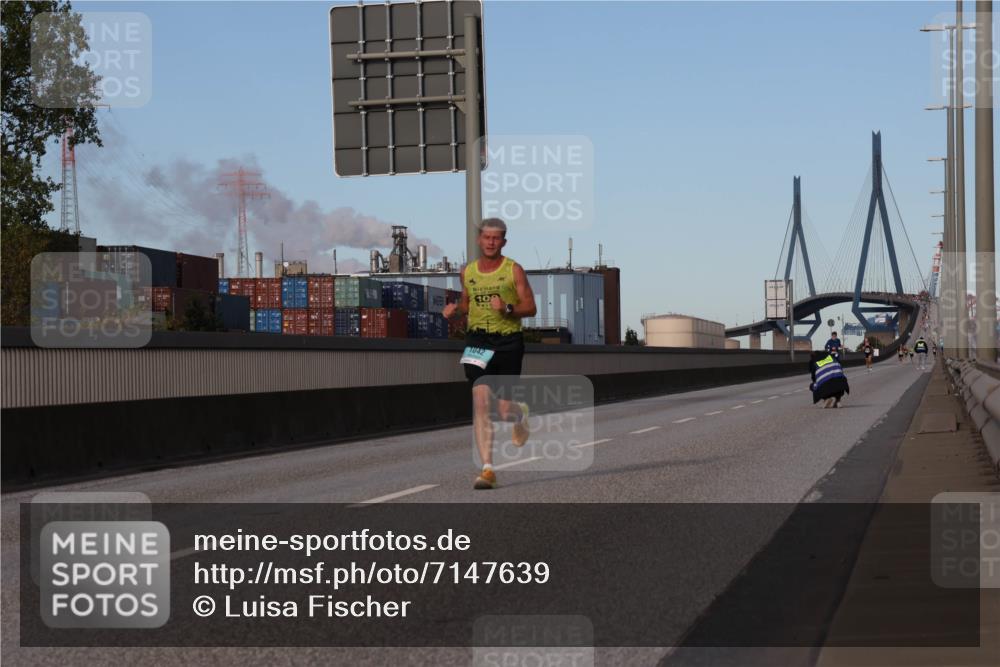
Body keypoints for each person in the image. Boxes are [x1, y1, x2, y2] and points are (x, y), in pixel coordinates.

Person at [442, 218, 537, 490]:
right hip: (477, 341)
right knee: (481, 402)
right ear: (479, 240)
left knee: (504, 408)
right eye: (487, 237)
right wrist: (455, 311)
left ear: (503, 242)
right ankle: (487, 469)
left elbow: (530, 308)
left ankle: (519, 415)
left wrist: (507, 308)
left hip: (508, 341)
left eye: (496, 238)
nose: (491, 242)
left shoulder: (513, 270)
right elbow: (466, 303)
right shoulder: (468, 272)